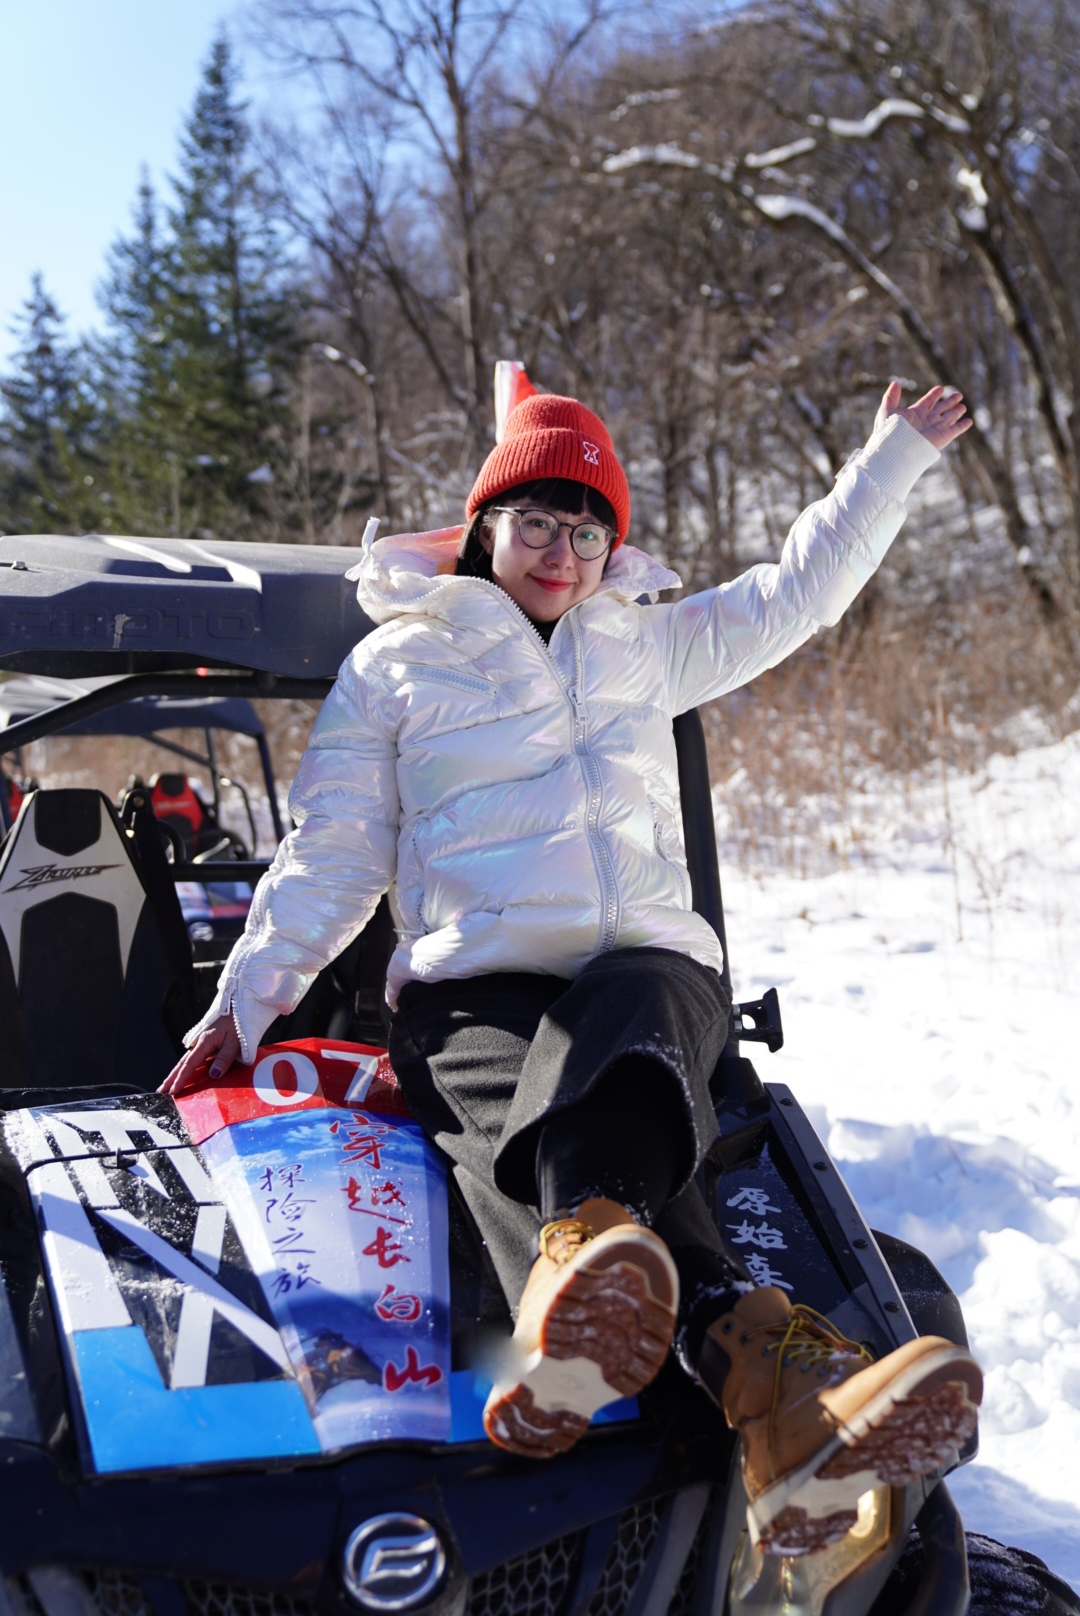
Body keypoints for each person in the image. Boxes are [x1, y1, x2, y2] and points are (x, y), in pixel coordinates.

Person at [162, 379, 982, 1557]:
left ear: (614, 544)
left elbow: (799, 592)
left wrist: (891, 459)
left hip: (651, 976)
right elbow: (334, 850)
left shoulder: (646, 645)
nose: (563, 552)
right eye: (539, 522)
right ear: (486, 525)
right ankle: (771, 1392)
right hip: (478, 984)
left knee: (640, 1007)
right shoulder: (398, 666)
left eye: (588, 529)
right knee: (532, 1079)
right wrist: (253, 995)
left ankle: (579, 1283)